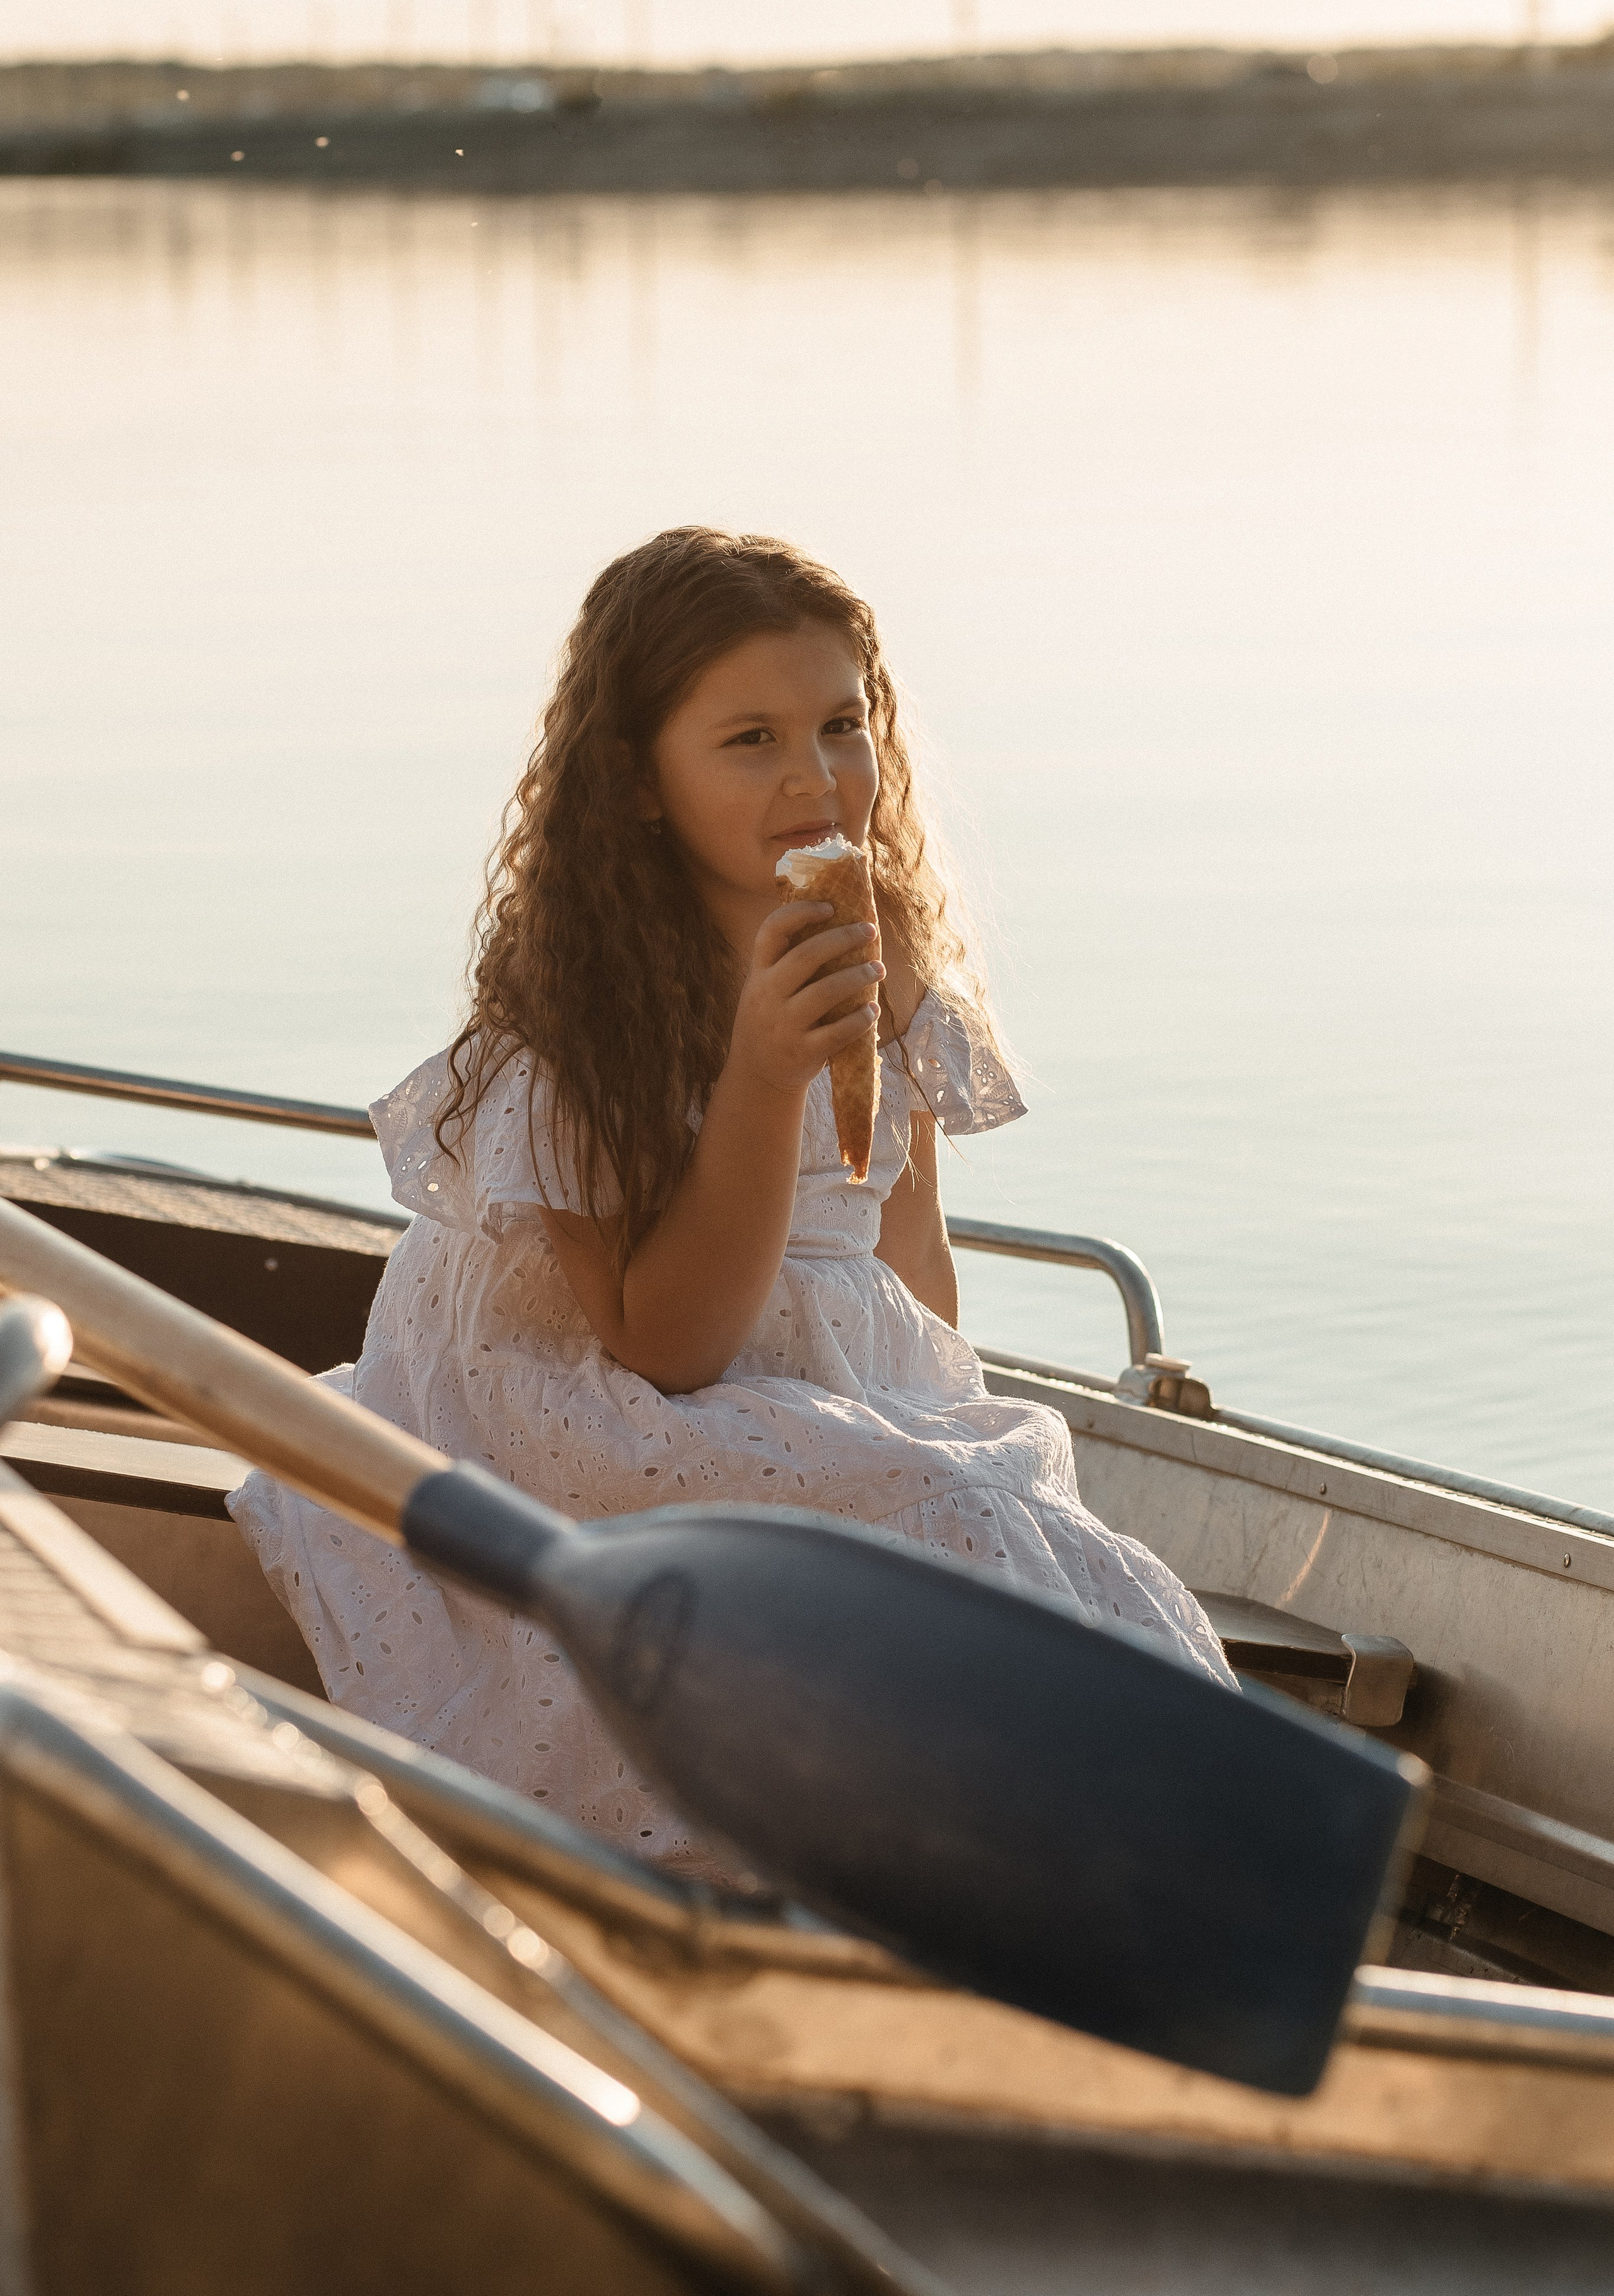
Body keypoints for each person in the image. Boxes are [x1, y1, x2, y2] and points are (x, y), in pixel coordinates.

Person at [230, 527, 1234, 1873]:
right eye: (747, 741)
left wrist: (938, 1428)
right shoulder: (575, 1036)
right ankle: (914, 1866)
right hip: (581, 1395)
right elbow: (668, 1346)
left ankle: (1140, 1864)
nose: (814, 779)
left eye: (841, 725)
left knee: (1021, 1526)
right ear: (637, 781)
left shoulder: (885, 974)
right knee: (943, 1525)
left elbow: (909, 1260)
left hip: (805, 1372)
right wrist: (760, 1081)